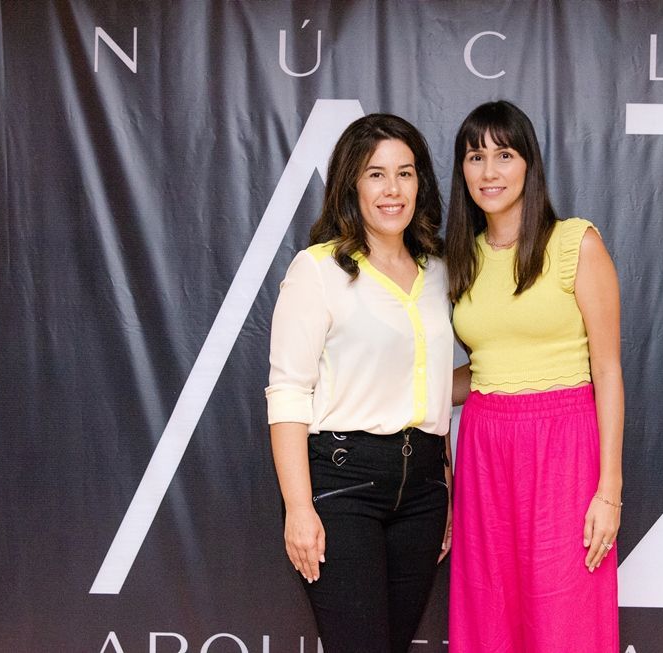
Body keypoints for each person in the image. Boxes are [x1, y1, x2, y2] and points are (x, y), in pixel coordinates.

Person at [265, 114, 453, 653]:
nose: (392, 189)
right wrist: (299, 508)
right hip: (343, 485)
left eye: (405, 173)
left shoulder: (439, 271)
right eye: (375, 174)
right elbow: (288, 394)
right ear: (351, 185)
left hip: (423, 490)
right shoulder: (318, 270)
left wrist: (446, 488)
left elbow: (435, 389)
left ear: (421, 183)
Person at [446, 100, 623, 652]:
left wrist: (610, 490)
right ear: (463, 171)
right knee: (489, 614)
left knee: (564, 614)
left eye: (505, 154)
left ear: (529, 164)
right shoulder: (462, 257)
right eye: (476, 157)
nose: (490, 171)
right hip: (483, 445)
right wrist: (387, 389)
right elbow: (484, 370)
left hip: (564, 445)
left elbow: (608, 369)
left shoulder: (576, 242)